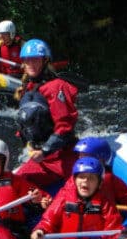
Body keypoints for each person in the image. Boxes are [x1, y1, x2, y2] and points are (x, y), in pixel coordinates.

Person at [30, 157, 127, 239]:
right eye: (81, 177)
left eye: (91, 178)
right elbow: (49, 220)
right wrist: (40, 230)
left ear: (99, 183)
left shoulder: (104, 202)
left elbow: (113, 228)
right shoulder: (64, 197)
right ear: (74, 179)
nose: (85, 181)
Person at [13, 38, 80, 192]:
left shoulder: (56, 87)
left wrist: (45, 151)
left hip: (62, 156)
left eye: (35, 60)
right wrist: (28, 144)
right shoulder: (27, 89)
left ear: (45, 61)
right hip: (42, 157)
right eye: (27, 60)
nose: (31, 64)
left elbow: (64, 128)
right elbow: (24, 126)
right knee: (15, 184)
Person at [72, 136, 127, 213]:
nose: (80, 160)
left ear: (100, 159)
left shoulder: (109, 179)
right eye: (80, 156)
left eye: (85, 156)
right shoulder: (74, 178)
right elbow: (66, 198)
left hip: (103, 217)